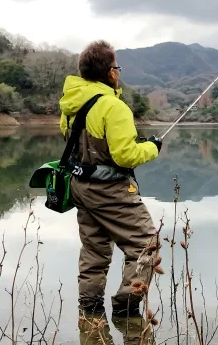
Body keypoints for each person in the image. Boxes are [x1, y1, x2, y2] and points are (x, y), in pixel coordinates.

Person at [58, 40, 162, 318]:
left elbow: (71, 140)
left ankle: (90, 314)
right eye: (116, 67)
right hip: (110, 190)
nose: (118, 72)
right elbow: (125, 156)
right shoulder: (114, 107)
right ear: (110, 73)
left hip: (80, 187)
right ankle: (126, 310)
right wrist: (152, 147)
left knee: (94, 250)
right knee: (146, 244)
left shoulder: (70, 104)